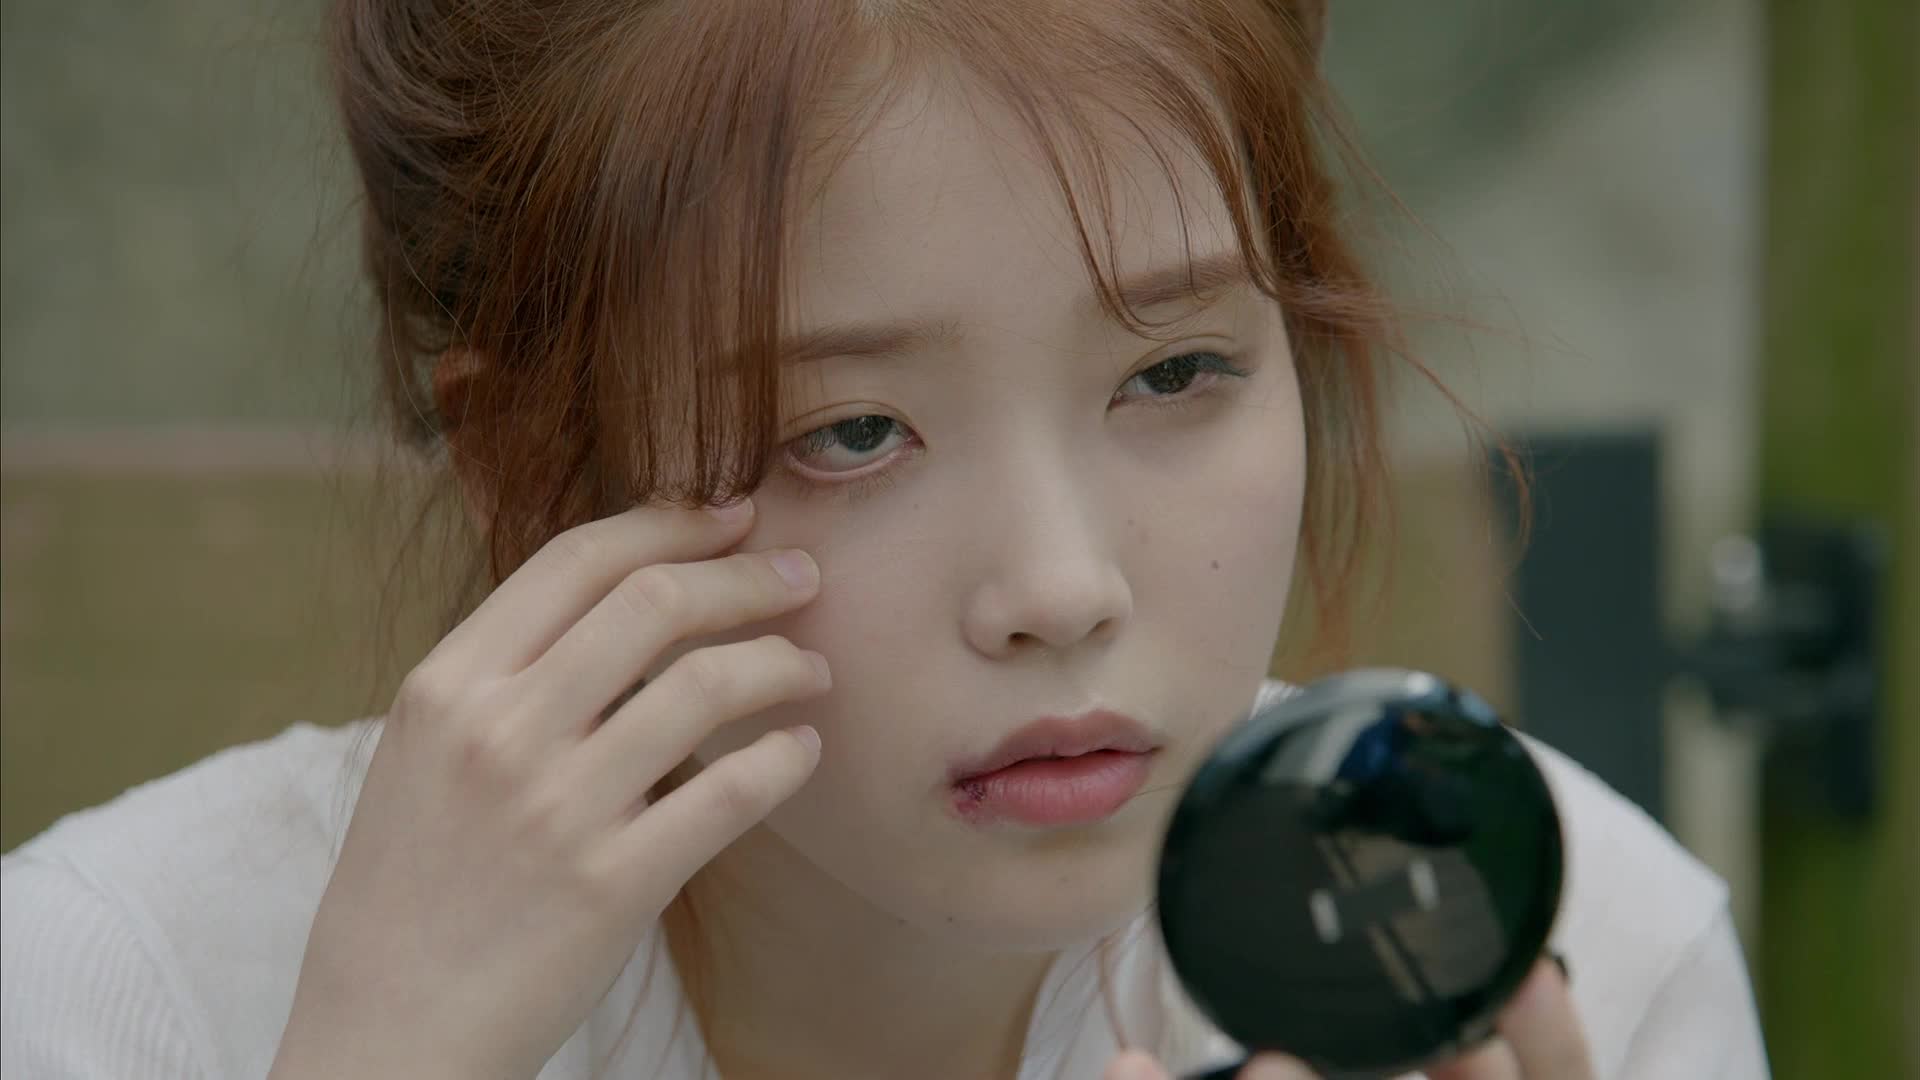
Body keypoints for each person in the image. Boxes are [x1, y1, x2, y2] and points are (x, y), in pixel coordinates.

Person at [0, 2, 1770, 1078]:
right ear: (532, 466)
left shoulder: (1555, 952)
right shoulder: (138, 990)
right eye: (851, 432)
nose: (1060, 589)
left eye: (1175, 372)